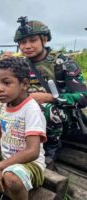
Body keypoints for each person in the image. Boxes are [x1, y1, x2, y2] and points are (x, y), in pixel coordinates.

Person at [13, 16, 87, 169]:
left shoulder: (62, 62)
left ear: (44, 39)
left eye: (32, 40)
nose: (27, 46)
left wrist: (50, 98)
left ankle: (50, 151)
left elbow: (83, 98)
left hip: (61, 117)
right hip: (28, 115)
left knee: (46, 109)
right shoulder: (21, 64)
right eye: (22, 42)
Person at [0, 57, 47, 200]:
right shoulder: (2, 104)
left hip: (29, 164)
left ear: (24, 84)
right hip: (6, 157)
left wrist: (1, 165)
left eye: (6, 83)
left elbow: (33, 152)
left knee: (12, 178)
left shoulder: (31, 110)